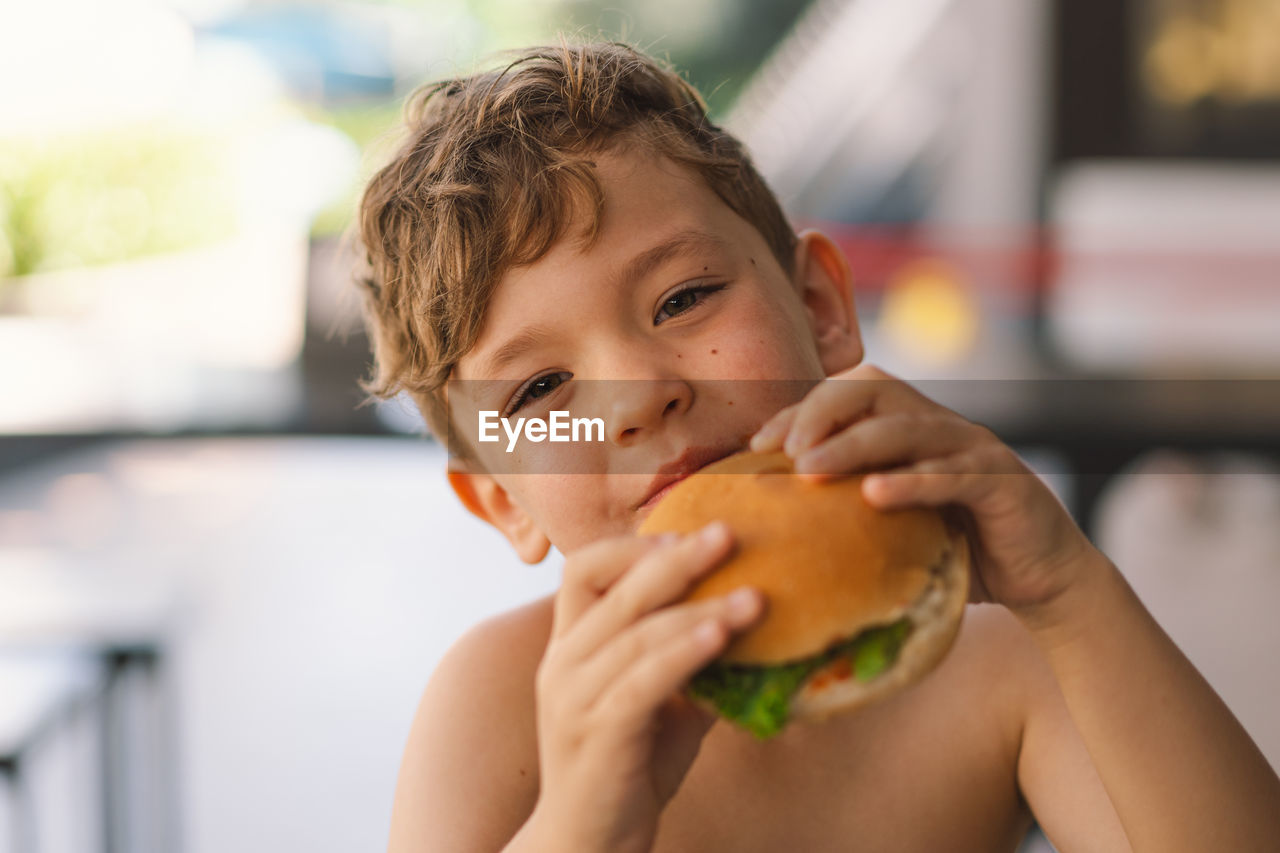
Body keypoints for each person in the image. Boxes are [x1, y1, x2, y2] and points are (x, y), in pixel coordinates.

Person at [356, 42, 1280, 852]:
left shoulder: (986, 652)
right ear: (503, 497)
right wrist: (581, 827)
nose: (638, 395)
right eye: (540, 389)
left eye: (683, 299)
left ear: (821, 308)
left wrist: (1071, 595)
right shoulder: (502, 704)